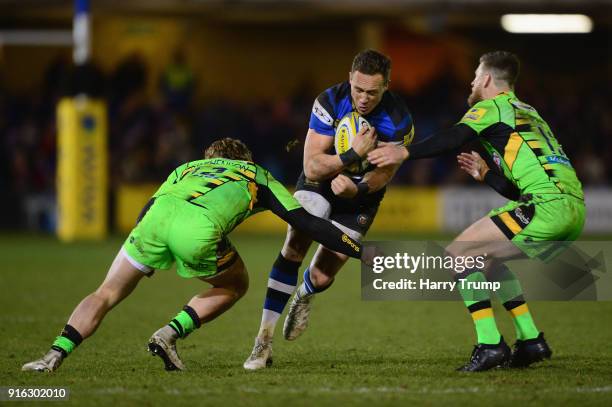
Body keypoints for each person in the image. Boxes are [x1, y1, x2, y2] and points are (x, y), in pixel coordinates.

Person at [22, 138, 364, 373]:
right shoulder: (256, 174)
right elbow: (306, 223)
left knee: (107, 291)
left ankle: (52, 356)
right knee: (236, 284)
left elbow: (150, 205)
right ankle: (169, 334)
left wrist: (147, 252)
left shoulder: (186, 168)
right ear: (244, 159)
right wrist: (360, 250)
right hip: (196, 230)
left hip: (153, 222)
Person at [368, 51, 585, 372]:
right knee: (487, 261)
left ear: (486, 79)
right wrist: (486, 175)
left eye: (474, 76)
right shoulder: (529, 114)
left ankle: (490, 345)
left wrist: (403, 152)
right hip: (572, 208)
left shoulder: (491, 107)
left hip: (547, 205)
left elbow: (454, 137)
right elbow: (517, 189)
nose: (471, 82)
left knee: (458, 254)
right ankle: (530, 340)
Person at [244, 49, 415, 370]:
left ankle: (304, 294)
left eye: (372, 92)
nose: (363, 98)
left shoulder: (398, 119)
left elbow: (385, 172)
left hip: (361, 195)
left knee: (322, 275)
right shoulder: (329, 101)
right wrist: (351, 156)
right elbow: (311, 165)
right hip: (320, 182)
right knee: (295, 243)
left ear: (387, 87)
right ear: (350, 79)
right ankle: (263, 341)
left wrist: (359, 187)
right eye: (358, 89)